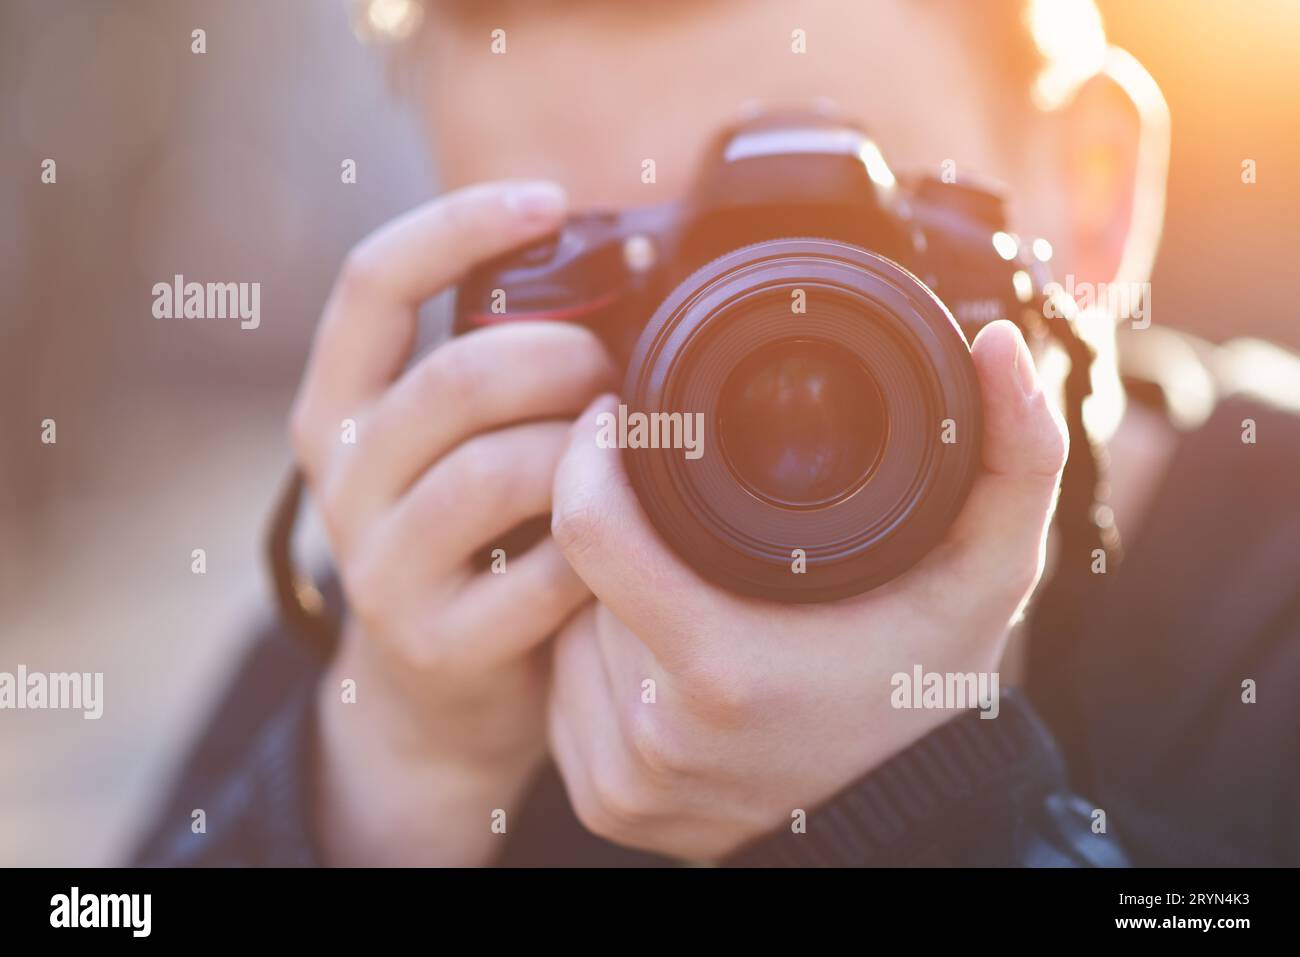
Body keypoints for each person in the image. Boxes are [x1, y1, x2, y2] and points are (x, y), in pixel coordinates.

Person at [136, 0, 1300, 867]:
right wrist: (384, 786)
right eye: (596, 262)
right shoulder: (437, 632)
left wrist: (925, 816)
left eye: (828, 246)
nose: (745, 357)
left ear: (1085, 198)